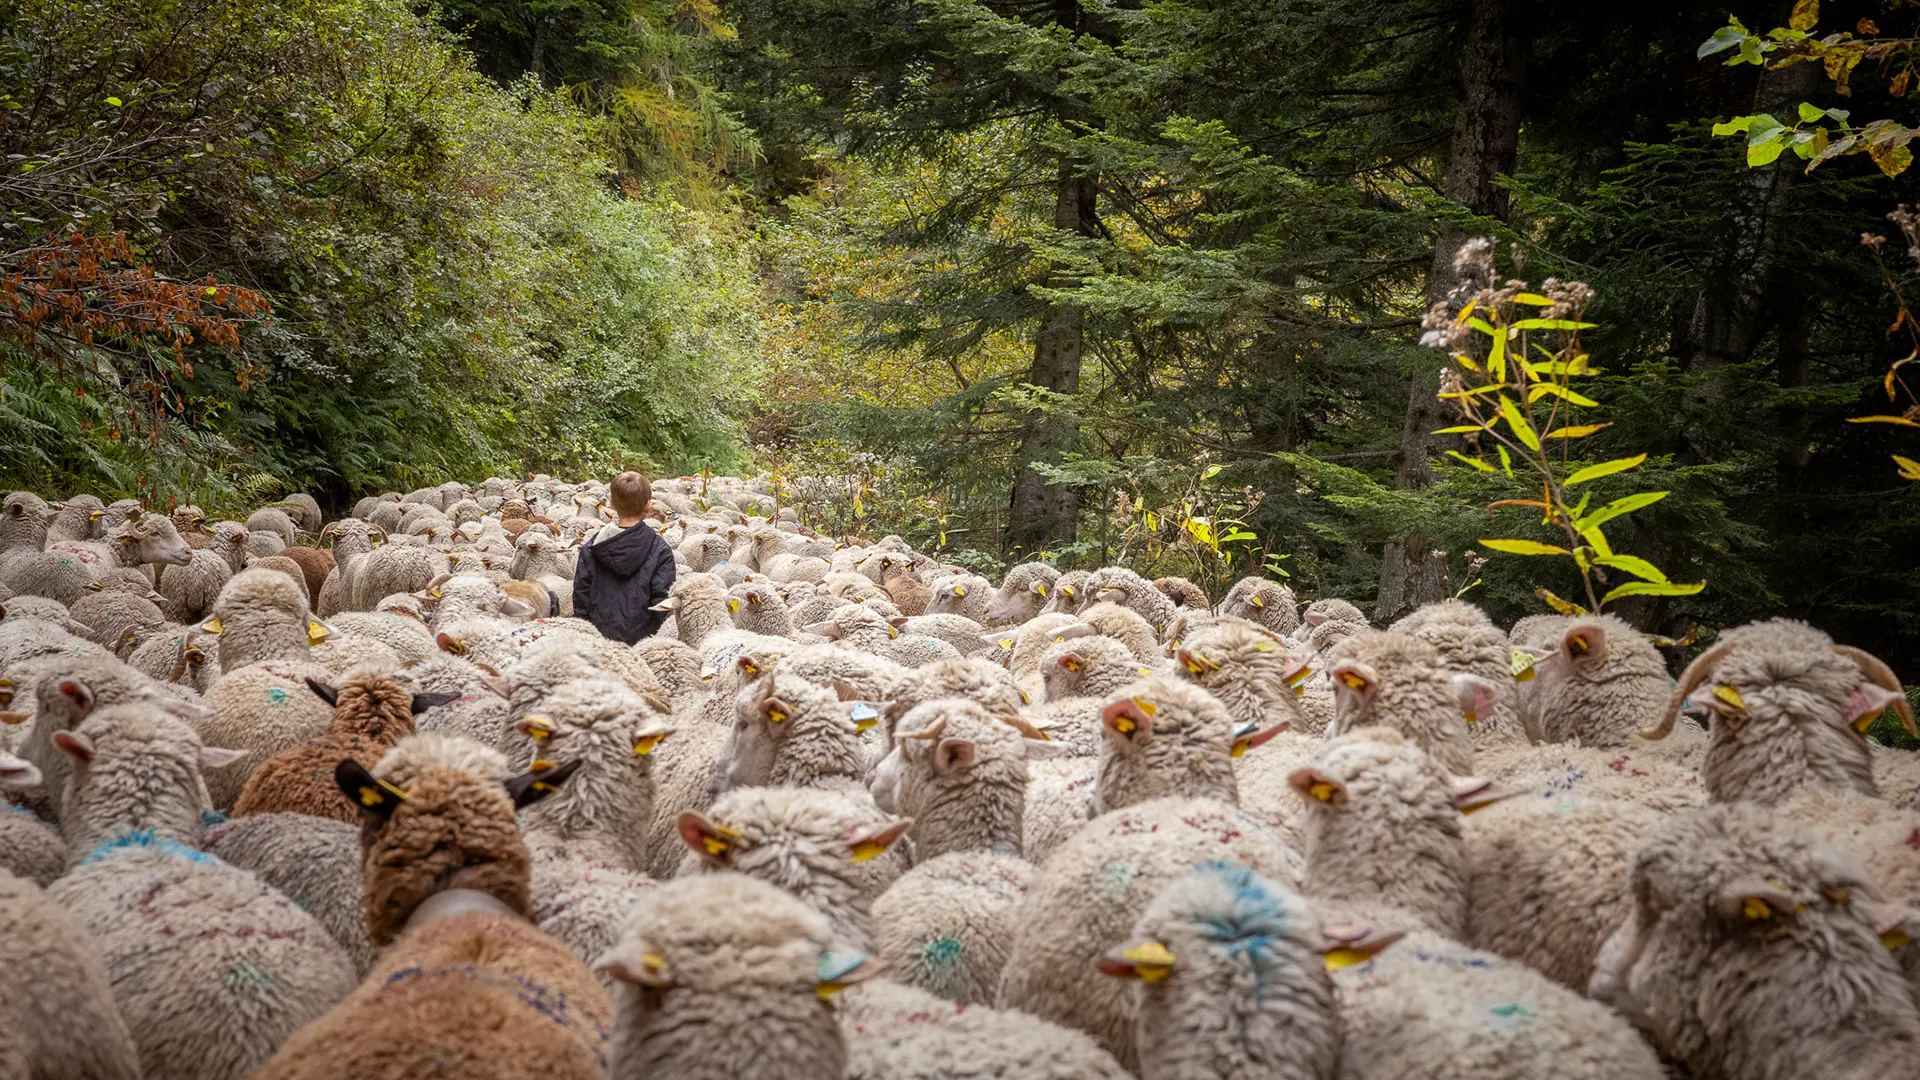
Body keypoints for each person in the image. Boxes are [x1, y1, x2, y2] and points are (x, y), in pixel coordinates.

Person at [572, 470, 675, 644]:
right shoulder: (660, 550)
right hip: (643, 646)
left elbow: (581, 598)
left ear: (611, 504)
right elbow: (662, 602)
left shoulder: (592, 546)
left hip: (598, 642)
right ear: (648, 506)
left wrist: (588, 638)